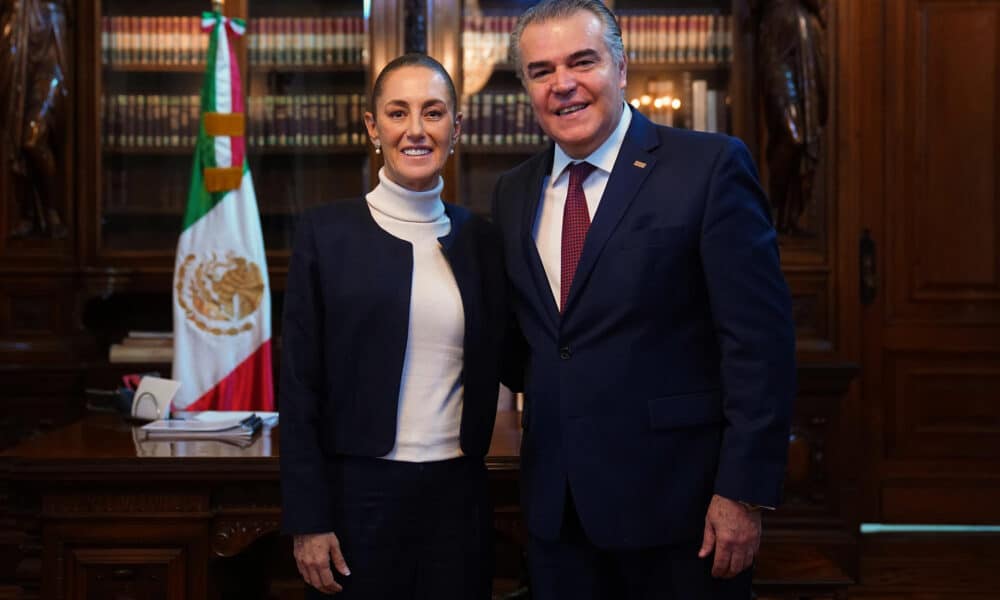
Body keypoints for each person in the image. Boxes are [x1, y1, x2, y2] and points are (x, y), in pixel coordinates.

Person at [491, 1, 796, 598]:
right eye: (542, 70)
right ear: (526, 85)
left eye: (583, 62)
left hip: (680, 511)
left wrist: (742, 492)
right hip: (558, 515)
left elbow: (759, 346)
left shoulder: (708, 167)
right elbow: (528, 345)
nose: (564, 85)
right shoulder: (512, 191)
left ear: (622, 67)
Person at [280, 53, 506, 599]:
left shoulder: (482, 239)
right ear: (372, 126)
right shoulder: (325, 233)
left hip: (459, 493)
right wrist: (308, 518)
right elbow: (298, 385)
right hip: (359, 496)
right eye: (397, 113)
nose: (415, 130)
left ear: (457, 127)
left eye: (432, 113)